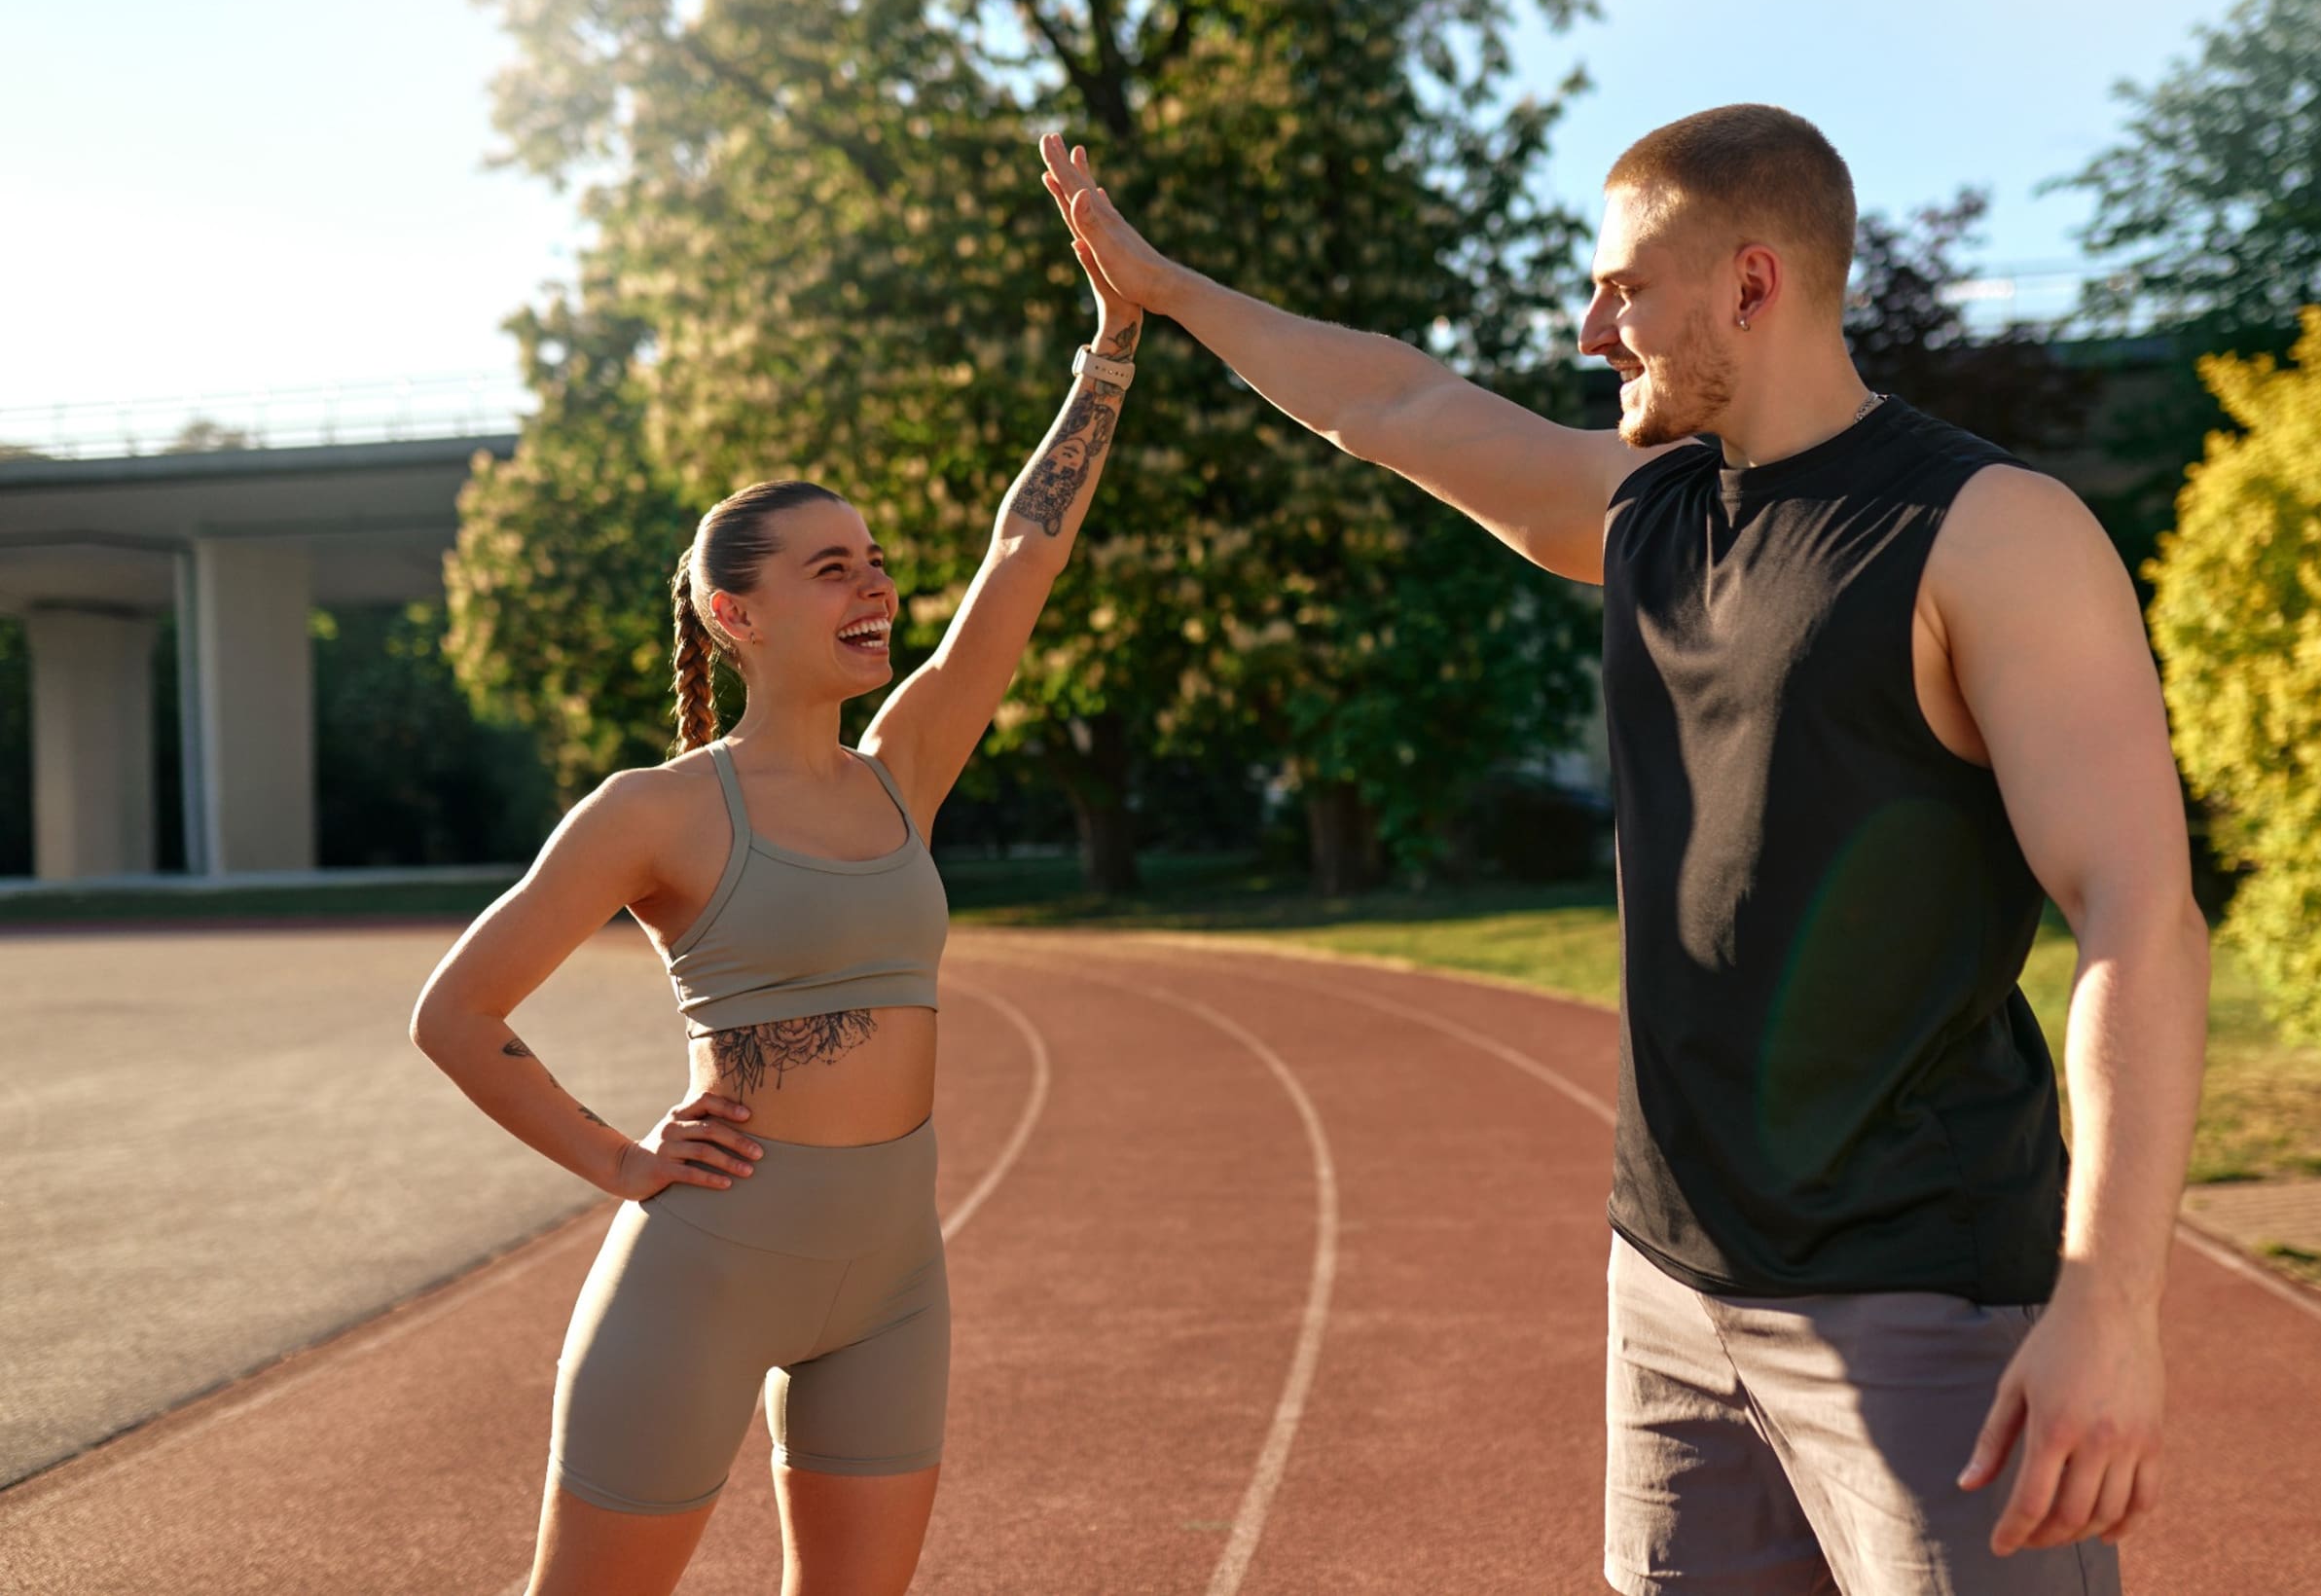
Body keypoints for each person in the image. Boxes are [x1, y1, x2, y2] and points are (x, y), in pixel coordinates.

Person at [1035, 104, 2206, 1595]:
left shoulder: (1986, 533)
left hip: (1919, 1296)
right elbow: (1392, 407)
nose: (1593, 327)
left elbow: (2141, 920)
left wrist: (2109, 1304)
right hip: (1668, 1292)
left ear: (1752, 282)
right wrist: (1170, 290)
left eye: (1623, 287)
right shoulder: (1645, 505)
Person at [408, 160, 1144, 1596]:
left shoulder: (904, 766)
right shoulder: (659, 812)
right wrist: (624, 1164)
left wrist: (1108, 345)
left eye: (874, 563)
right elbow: (457, 1015)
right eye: (831, 569)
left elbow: (1024, 549)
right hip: (705, 1269)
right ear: (736, 614)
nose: (874, 588)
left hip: (893, 1285)